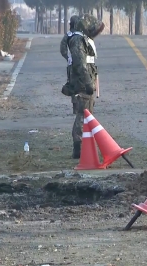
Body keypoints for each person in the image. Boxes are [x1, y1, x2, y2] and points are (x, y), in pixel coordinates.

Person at [61, 14, 105, 159]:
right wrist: (87, 82)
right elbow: (80, 63)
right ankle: (79, 147)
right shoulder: (78, 40)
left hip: (83, 81)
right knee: (83, 113)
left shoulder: (77, 38)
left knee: (86, 113)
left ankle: (83, 146)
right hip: (81, 83)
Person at [59, 15, 80, 114]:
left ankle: (75, 106)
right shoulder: (84, 34)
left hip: (72, 64)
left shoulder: (68, 35)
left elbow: (63, 50)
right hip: (85, 63)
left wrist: (68, 58)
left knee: (73, 83)